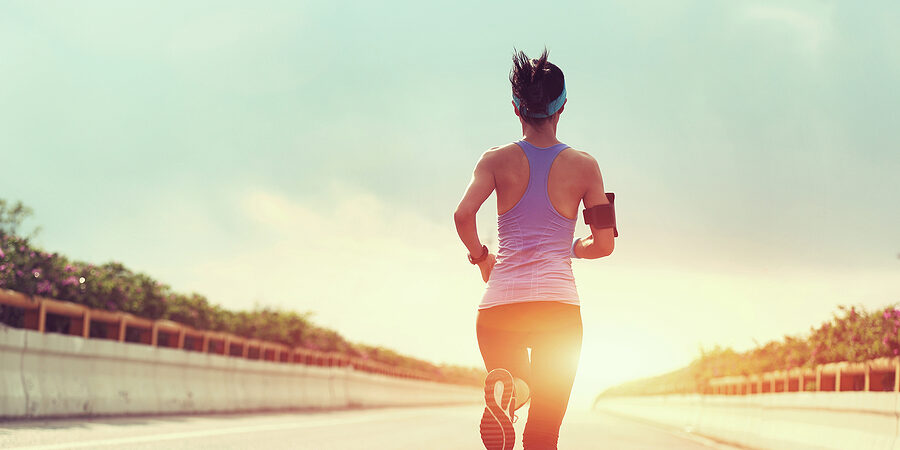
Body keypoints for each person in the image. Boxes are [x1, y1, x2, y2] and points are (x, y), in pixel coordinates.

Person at [453, 48, 616, 450]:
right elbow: (605, 245)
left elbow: (462, 216)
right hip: (557, 308)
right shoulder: (585, 166)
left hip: (498, 307)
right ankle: (518, 394)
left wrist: (482, 258)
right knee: (543, 434)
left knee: (516, 385)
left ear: (515, 108)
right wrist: (571, 247)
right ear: (562, 108)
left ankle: (512, 394)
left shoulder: (494, 160)